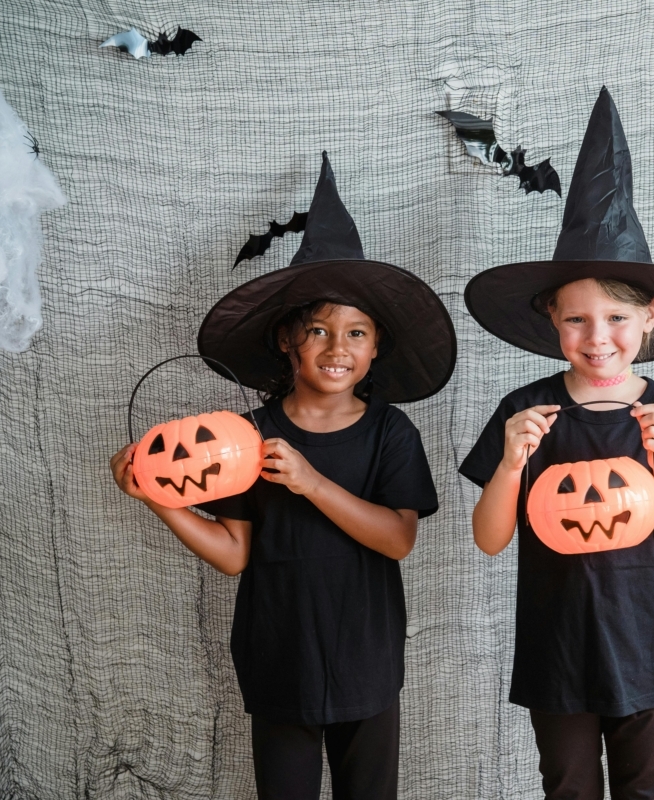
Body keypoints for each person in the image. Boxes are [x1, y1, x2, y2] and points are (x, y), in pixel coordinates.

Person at [110, 153, 456, 800]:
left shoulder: (390, 434)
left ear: (376, 346)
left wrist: (310, 482)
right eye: (318, 330)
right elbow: (234, 554)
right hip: (278, 659)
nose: (337, 348)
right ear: (286, 342)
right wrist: (157, 497)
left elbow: (398, 539)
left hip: (366, 660)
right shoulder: (241, 439)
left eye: (356, 332)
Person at [459, 88, 654, 800]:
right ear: (552, 321)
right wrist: (513, 464)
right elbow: (489, 538)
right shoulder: (526, 411)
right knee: (567, 788)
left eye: (615, 317)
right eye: (576, 319)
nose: (597, 337)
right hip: (556, 652)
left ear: (649, 318)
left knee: (647, 790)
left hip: (648, 649)